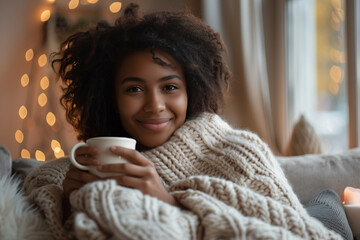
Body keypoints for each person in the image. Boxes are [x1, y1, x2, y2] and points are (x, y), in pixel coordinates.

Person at [23, 3, 341, 240]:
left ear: (193, 89)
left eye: (170, 87)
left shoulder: (239, 153)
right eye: (134, 89)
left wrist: (169, 203)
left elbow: (301, 233)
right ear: (110, 98)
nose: (155, 105)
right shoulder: (63, 175)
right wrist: (66, 203)